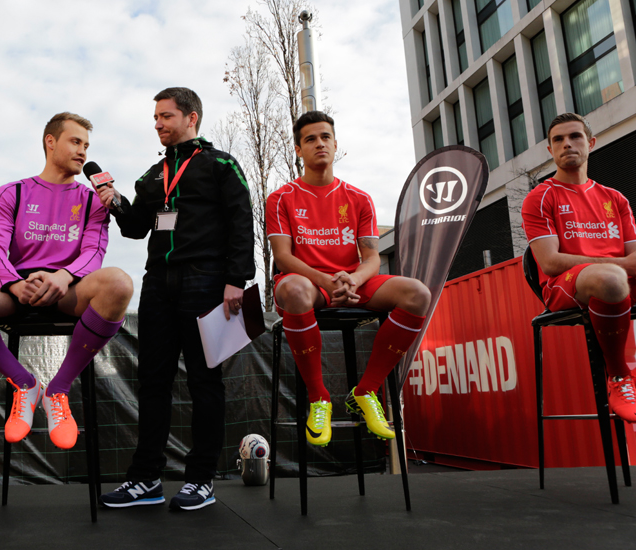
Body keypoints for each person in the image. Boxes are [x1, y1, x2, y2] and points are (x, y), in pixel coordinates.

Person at [0, 112, 132, 451]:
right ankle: (24, 383)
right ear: (50, 142)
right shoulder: (13, 191)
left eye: (86, 145)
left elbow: (94, 252)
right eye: (75, 141)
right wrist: (14, 284)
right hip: (15, 289)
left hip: (68, 288)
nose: (83, 151)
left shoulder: (93, 199)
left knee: (120, 283)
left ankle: (58, 390)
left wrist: (63, 276)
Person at [97, 87, 254, 511]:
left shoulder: (221, 164)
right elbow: (136, 228)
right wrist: (116, 202)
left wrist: (236, 279)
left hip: (207, 281)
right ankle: (146, 479)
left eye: (166, 116)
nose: (158, 124)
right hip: (157, 286)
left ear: (191, 118)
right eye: (156, 117)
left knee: (204, 382)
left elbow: (242, 220)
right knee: (153, 382)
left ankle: (200, 480)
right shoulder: (153, 176)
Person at [264, 110, 431, 447]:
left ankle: (366, 391)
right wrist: (326, 282)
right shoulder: (280, 198)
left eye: (325, 137)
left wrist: (353, 280)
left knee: (418, 293)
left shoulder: (359, 198)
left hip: (351, 282)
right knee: (295, 290)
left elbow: (371, 258)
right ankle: (319, 398)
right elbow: (283, 257)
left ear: (335, 144)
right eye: (310, 139)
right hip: (309, 284)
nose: (319, 144)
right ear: (298, 149)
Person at [521, 112, 636, 422]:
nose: (567, 144)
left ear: (591, 143)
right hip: (564, 286)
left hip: (621, 281)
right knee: (610, 279)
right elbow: (550, 262)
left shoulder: (615, 199)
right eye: (558, 139)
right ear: (550, 150)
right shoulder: (540, 197)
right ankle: (618, 375)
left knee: (614, 278)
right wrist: (620, 265)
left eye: (575, 136)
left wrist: (625, 265)